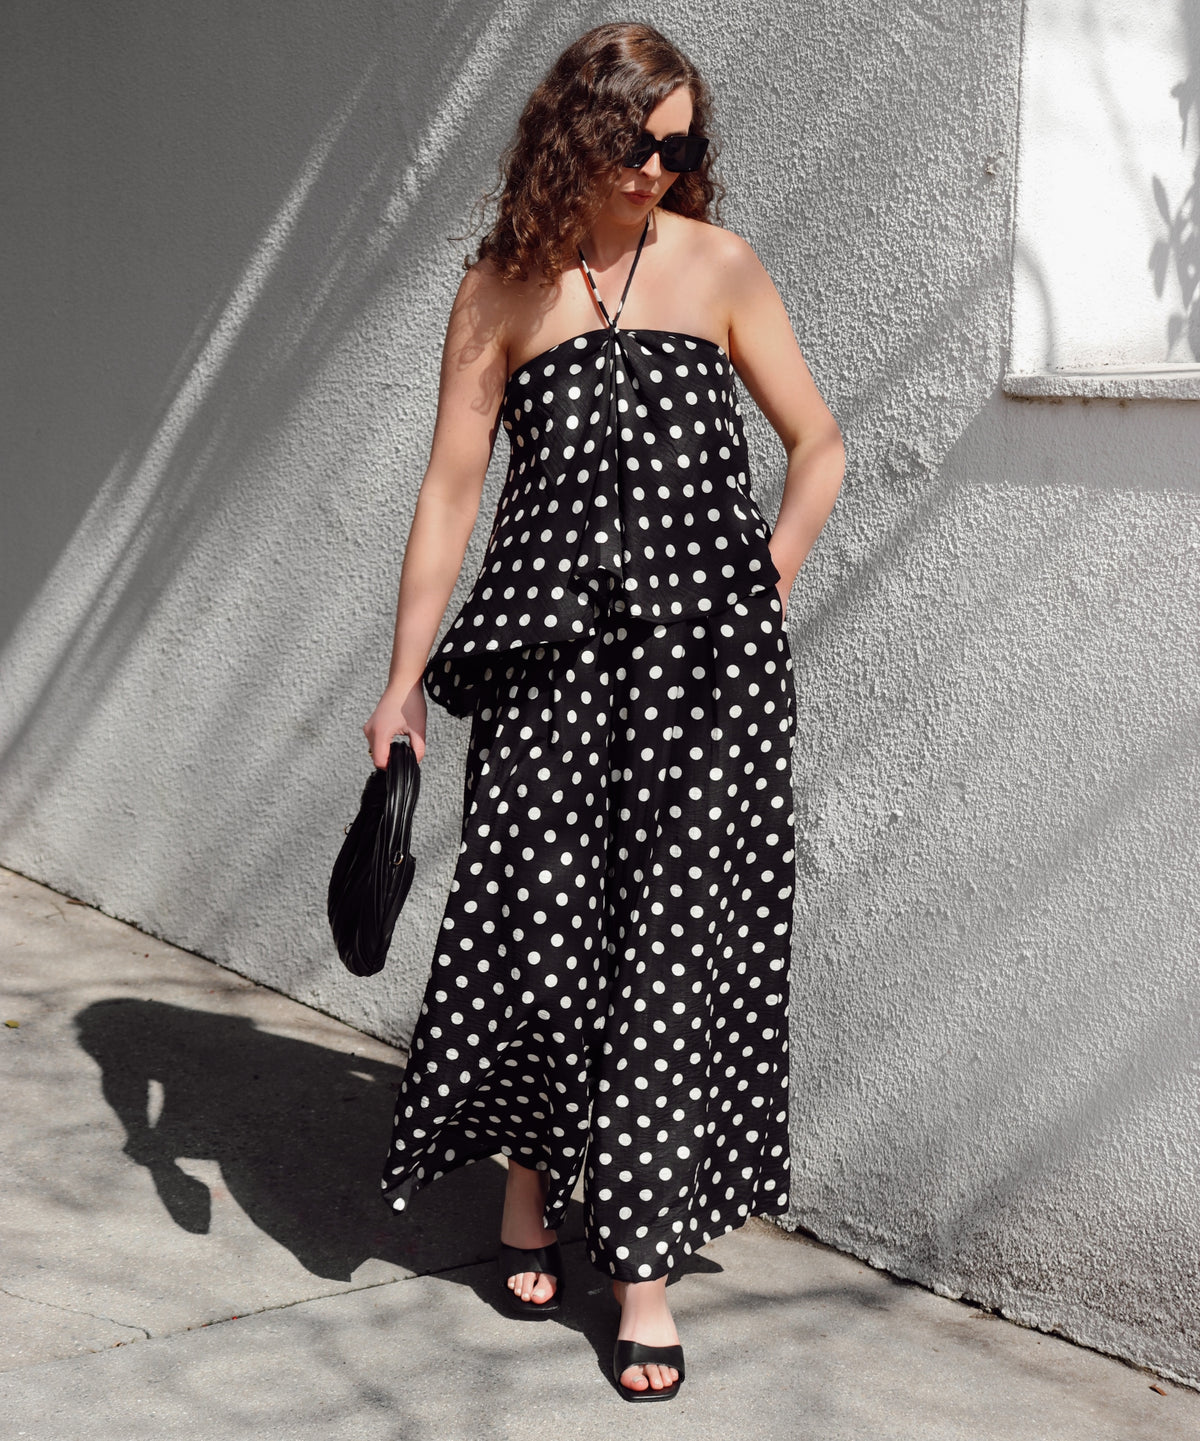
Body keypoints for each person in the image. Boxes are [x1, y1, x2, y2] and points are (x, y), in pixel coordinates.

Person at [363, 21, 844, 1402]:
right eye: (639, 141)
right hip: (544, 680)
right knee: (542, 932)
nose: (660, 168)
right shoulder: (502, 289)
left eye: (683, 145)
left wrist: (761, 585)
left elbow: (821, 442)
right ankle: (529, 1195)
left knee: (662, 954)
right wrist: (401, 677)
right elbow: (451, 493)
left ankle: (636, 1275)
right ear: (575, 134)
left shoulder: (723, 268)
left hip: (707, 688)